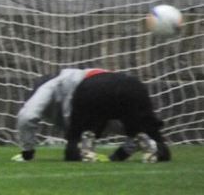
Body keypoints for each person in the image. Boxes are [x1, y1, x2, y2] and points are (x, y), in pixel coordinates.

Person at [12, 68, 170, 163]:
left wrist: (27, 152)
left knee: (73, 151)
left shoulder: (51, 83)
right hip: (133, 86)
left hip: (92, 89)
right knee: (145, 132)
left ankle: (83, 148)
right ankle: (153, 147)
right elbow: (122, 127)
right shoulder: (80, 75)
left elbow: (27, 116)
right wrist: (119, 156)